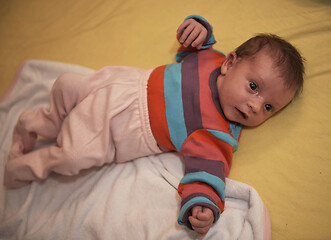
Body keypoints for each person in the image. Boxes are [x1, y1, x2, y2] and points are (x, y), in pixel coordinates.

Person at [4, 15, 305, 235]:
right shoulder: (209, 59)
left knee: (72, 156)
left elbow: (207, 172)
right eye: (253, 86)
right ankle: (44, 122)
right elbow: (191, 44)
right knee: (66, 86)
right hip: (123, 81)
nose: (255, 105)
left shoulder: (216, 135)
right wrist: (197, 29)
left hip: (122, 129)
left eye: (268, 107)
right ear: (229, 63)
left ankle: (24, 167)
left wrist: (203, 204)